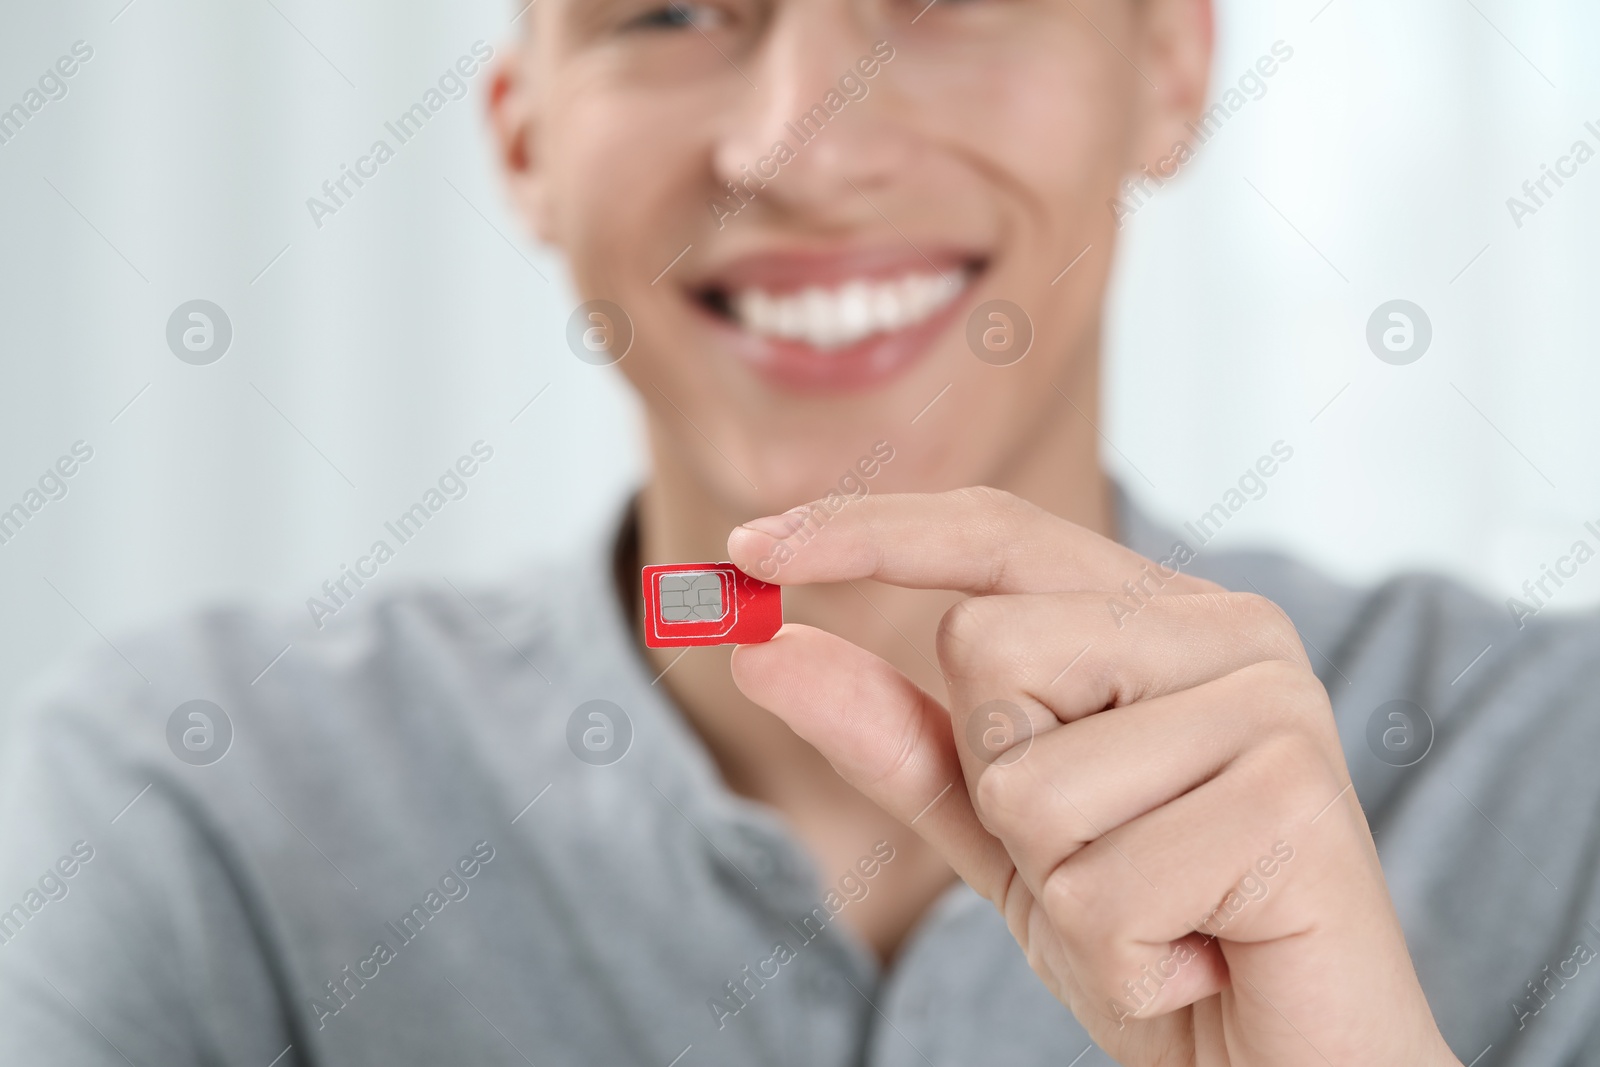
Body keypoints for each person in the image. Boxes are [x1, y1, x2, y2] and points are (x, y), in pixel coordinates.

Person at [1, 0, 1595, 1063]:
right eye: (673, 7)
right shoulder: (195, 797)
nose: (802, 144)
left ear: (1170, 63)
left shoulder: (1555, 769)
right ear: (525, 141)